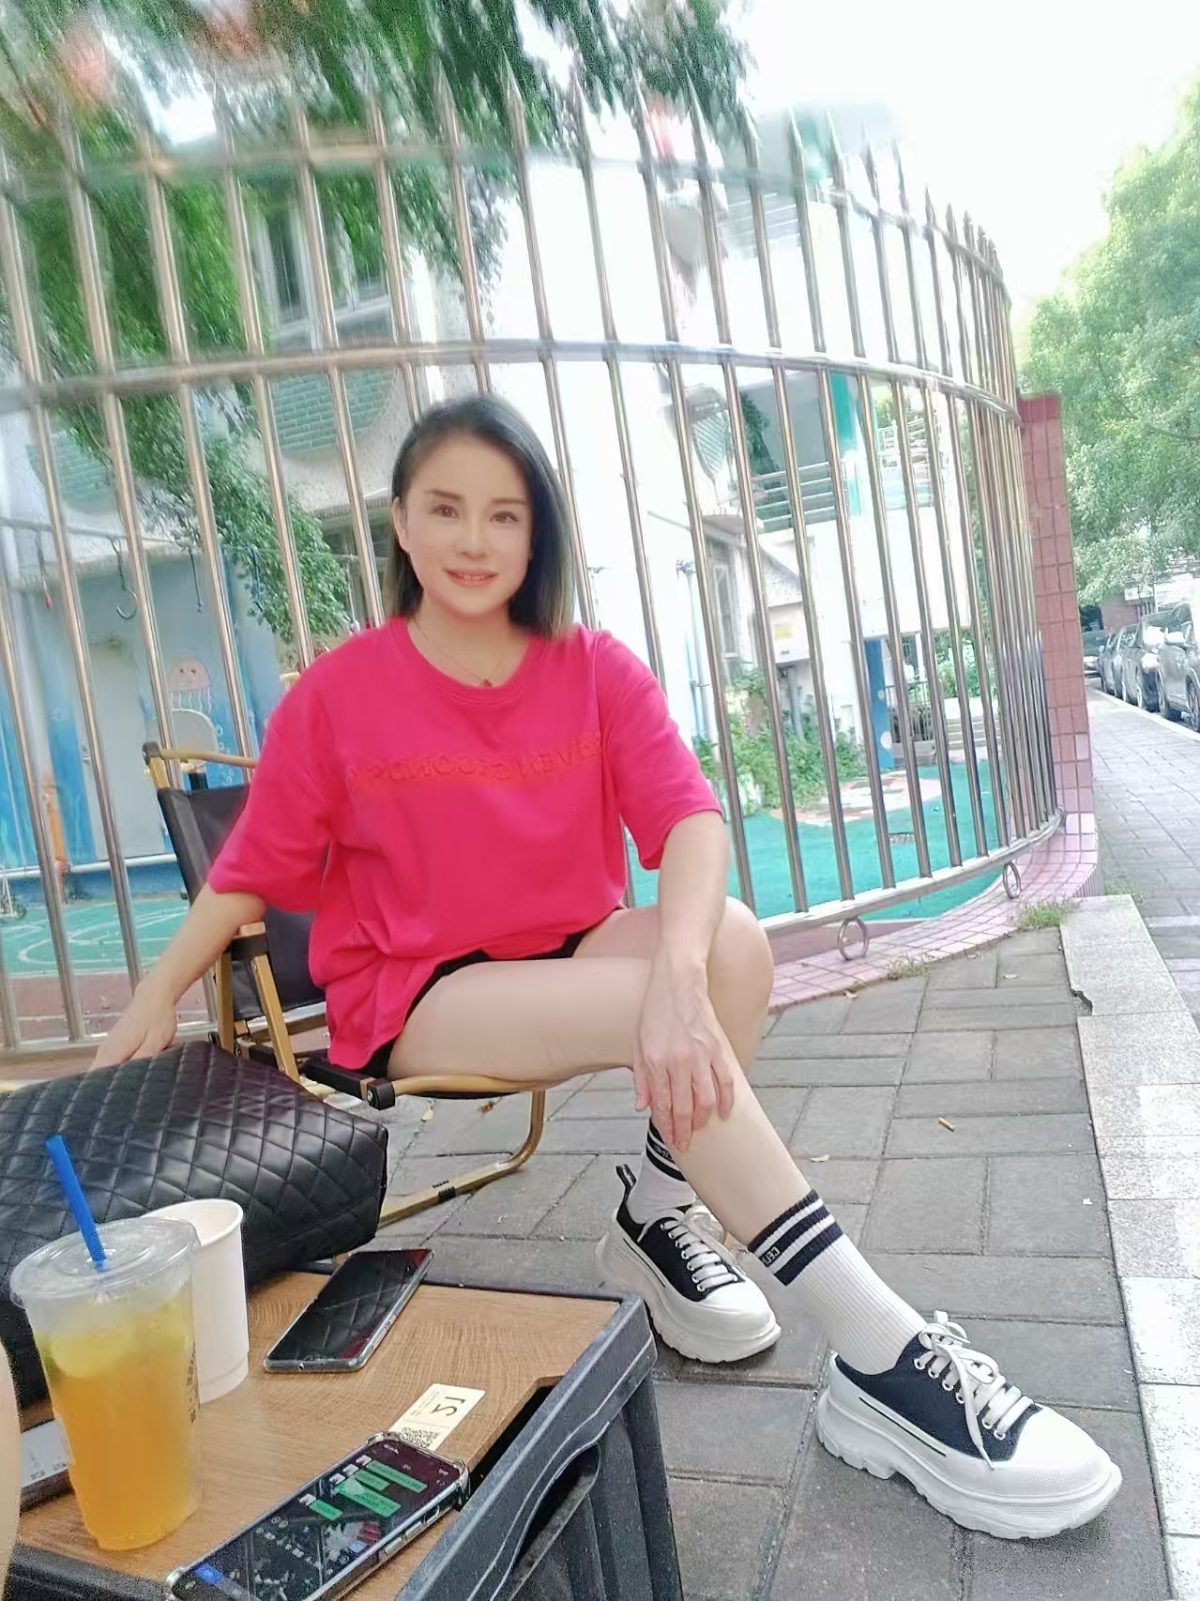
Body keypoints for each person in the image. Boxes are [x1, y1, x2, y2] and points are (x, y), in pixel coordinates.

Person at [96, 395, 1120, 1541]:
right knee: (654, 996)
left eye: (505, 513)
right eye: (446, 508)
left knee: (730, 941)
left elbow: (690, 818)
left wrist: (679, 974)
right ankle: (878, 1352)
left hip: (570, 940)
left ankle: (657, 1207)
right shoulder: (337, 695)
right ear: (401, 524)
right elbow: (249, 868)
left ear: (537, 532)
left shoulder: (588, 667)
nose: (475, 538)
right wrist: (155, 993)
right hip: (417, 987)